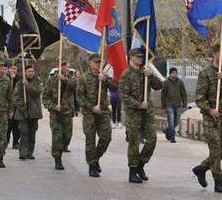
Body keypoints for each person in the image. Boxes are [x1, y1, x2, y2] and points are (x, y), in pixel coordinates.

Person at [192, 44, 222, 194]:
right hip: (211, 118)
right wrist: (210, 110)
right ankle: (218, 182)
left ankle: (201, 169)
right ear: (214, 54)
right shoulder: (205, 73)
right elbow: (199, 98)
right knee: (215, 150)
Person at [119, 48, 163, 183]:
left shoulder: (146, 72)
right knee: (134, 142)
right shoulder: (126, 75)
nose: (140, 59)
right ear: (131, 58)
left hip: (147, 113)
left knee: (152, 139)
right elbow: (124, 96)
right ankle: (132, 172)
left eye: (141, 57)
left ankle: (140, 164)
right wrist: (138, 104)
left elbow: (159, 86)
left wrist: (151, 76)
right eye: (138, 57)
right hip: (133, 114)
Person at [77, 54, 118, 178]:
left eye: (100, 62)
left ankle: (95, 159)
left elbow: (116, 88)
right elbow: (79, 97)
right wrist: (91, 107)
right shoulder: (83, 78)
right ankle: (91, 166)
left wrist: (105, 80)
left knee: (106, 138)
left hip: (103, 112)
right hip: (89, 113)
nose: (98, 64)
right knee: (90, 140)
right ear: (90, 63)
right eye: (96, 62)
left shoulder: (104, 77)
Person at [42, 61, 76, 170]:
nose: (66, 68)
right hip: (55, 113)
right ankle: (58, 159)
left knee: (67, 136)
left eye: (67, 66)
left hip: (67, 112)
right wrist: (53, 106)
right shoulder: (51, 80)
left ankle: (64, 147)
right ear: (58, 66)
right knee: (57, 136)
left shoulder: (72, 78)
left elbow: (78, 86)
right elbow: (45, 98)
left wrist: (65, 79)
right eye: (64, 66)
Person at [13, 64, 44, 161]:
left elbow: (37, 92)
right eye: (29, 71)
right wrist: (23, 109)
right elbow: (16, 97)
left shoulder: (38, 81)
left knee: (32, 133)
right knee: (24, 132)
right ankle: (23, 153)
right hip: (23, 113)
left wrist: (28, 85)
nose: (31, 73)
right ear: (25, 72)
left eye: (32, 71)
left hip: (34, 112)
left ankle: (30, 152)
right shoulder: (19, 83)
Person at [161, 67, 187, 143]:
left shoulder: (180, 82)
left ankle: (167, 131)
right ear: (170, 74)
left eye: (176, 73)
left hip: (178, 105)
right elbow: (163, 95)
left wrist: (185, 106)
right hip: (169, 105)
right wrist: (163, 107)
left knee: (176, 121)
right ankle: (172, 137)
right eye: (173, 73)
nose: (175, 74)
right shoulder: (165, 82)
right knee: (171, 121)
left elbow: (184, 94)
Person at [7, 62, 21, 149]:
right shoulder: (5, 78)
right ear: (8, 69)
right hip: (7, 105)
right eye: (11, 68)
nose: (13, 70)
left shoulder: (20, 78)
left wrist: (14, 79)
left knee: (17, 126)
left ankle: (15, 142)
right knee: (7, 125)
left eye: (14, 68)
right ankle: (6, 140)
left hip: (17, 105)